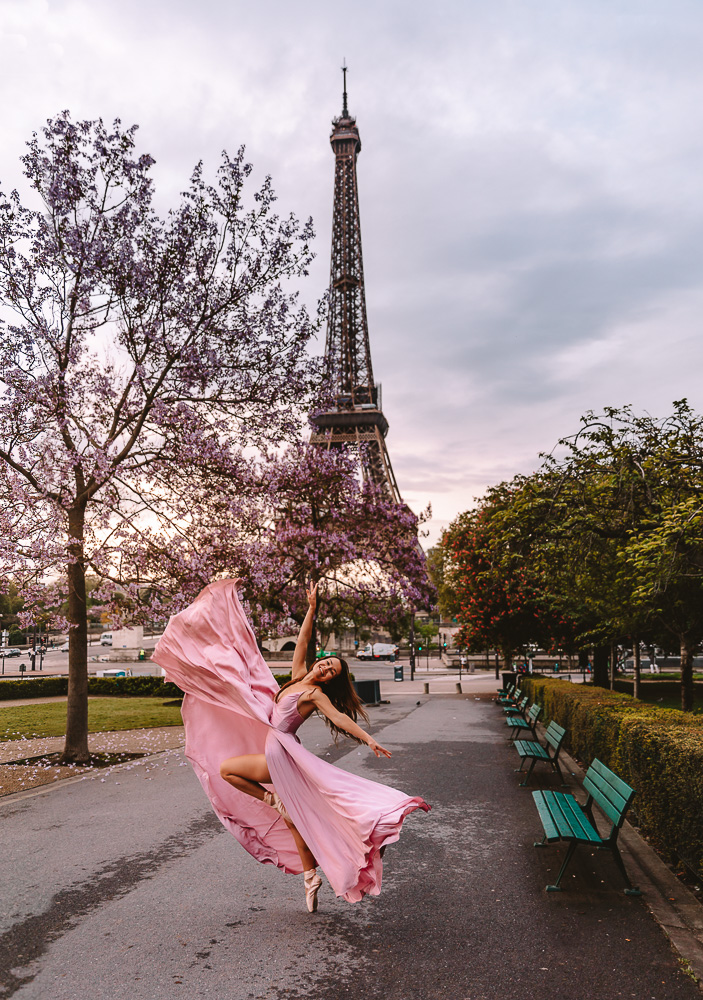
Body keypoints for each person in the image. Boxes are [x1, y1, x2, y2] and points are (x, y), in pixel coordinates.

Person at [152, 579, 429, 913]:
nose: (325, 667)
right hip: (281, 750)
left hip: (280, 753)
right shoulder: (298, 676)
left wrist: (368, 739)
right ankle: (311, 876)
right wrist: (311, 610)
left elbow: (339, 719)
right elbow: (302, 641)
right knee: (295, 820)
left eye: (330, 671)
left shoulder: (314, 695)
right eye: (326, 662)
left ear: (329, 681)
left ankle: (277, 803)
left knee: (228, 770)